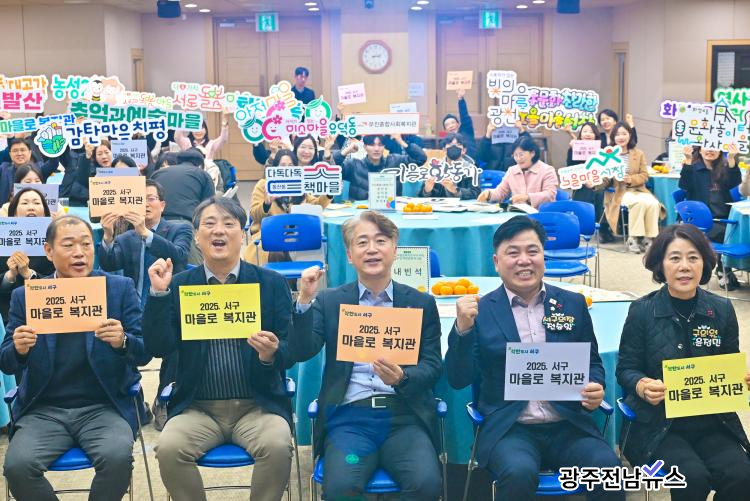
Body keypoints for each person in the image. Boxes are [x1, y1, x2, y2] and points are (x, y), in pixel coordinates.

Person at [445, 216, 624, 500]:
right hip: (510, 428)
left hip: (568, 424)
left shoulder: (572, 303)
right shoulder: (481, 311)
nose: (524, 260)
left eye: (532, 251)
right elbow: (458, 378)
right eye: (513, 253)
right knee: (518, 473)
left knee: (609, 471)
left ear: (544, 256)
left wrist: (594, 386)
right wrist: (463, 330)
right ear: (496, 262)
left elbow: (592, 362)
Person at [143, 197, 294, 501]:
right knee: (169, 449)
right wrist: (158, 295)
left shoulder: (271, 283)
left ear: (244, 234)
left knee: (278, 446)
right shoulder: (180, 285)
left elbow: (291, 348)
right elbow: (159, 346)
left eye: (228, 224)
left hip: (257, 406)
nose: (218, 231)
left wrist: (271, 354)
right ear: (197, 237)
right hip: (198, 407)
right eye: (209, 224)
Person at [290, 211, 443, 500]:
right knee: (341, 489)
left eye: (381, 241)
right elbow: (301, 350)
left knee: (426, 484)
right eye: (362, 242)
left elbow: (433, 365)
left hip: (403, 417)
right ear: (350, 255)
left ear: (395, 250)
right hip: (349, 420)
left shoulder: (420, 303)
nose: (372, 249)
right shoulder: (330, 300)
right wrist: (305, 300)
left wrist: (403, 377)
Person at [0, 215, 149, 501]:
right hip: (43, 409)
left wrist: (123, 341)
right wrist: (19, 348)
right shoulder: (27, 296)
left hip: (104, 406)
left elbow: (144, 352)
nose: (79, 253)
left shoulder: (119, 288)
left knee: (117, 459)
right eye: (68, 245)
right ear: (48, 251)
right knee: (17, 467)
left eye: (86, 244)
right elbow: (6, 362)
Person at [616, 223, 750, 501]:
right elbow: (626, 368)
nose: (685, 267)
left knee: (742, 477)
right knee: (691, 478)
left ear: (705, 263)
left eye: (693, 257)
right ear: (661, 265)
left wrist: (742, 378)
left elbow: (729, 364)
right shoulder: (642, 311)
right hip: (659, 424)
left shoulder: (722, 310)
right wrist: (641, 385)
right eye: (675, 258)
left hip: (713, 421)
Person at [98, 180, 192, 430]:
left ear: (162, 204)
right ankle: (135, 400)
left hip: (168, 306)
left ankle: (164, 400)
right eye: (139, 199)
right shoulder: (127, 237)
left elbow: (180, 256)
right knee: (115, 336)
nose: (145, 204)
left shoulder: (180, 228)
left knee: (176, 341)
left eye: (150, 198)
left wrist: (146, 234)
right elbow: (109, 263)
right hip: (135, 306)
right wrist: (107, 236)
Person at [243, 149, 331, 265]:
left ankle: (300, 275)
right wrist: (267, 203)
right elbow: (254, 214)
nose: (287, 169)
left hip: (296, 234)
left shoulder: (299, 185)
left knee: (308, 248)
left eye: (290, 165)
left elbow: (316, 205)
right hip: (268, 235)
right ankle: (281, 277)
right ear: (275, 168)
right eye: (282, 165)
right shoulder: (264, 185)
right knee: (277, 252)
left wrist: (329, 194)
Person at [678, 145, 742, 289]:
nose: (710, 150)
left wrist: (731, 159)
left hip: (723, 217)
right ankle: (723, 268)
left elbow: (735, 183)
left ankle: (723, 268)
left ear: (720, 150)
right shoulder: (693, 167)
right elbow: (684, 185)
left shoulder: (723, 169)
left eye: (714, 147)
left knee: (738, 230)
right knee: (727, 232)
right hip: (700, 222)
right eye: (706, 146)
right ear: (700, 150)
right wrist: (688, 160)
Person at [600, 122, 662, 254]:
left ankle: (648, 239)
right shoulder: (608, 155)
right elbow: (604, 179)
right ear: (613, 137)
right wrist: (594, 183)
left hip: (639, 189)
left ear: (630, 135)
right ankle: (633, 238)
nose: (621, 137)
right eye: (617, 134)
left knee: (653, 203)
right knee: (638, 203)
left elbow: (644, 175)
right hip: (618, 191)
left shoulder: (638, 153)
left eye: (624, 134)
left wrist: (631, 179)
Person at [0, 188, 56, 324]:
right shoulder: (3, 239)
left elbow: (61, 282)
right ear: (14, 212)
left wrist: (29, 275)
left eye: (36, 203)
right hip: (8, 311)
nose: (31, 207)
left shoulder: (55, 241)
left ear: (45, 211)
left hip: (48, 309)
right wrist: (10, 276)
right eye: (25, 203)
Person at [151, 148, 216, 265]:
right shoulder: (202, 174)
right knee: (195, 268)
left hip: (156, 225)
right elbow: (209, 208)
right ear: (200, 164)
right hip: (185, 225)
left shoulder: (158, 173)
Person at [335, 134, 427, 201]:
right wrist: (346, 150)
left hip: (390, 212)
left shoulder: (395, 161)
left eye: (380, 145)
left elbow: (420, 159)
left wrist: (401, 142)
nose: (376, 149)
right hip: (361, 214)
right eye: (372, 145)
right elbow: (333, 171)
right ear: (365, 147)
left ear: (384, 146)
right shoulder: (354, 165)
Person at [565, 122, 615, 243]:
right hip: (581, 183)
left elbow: (607, 173)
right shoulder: (573, 148)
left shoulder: (602, 150)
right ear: (581, 134)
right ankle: (595, 227)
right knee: (586, 190)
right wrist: (584, 179)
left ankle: (598, 226)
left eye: (591, 132)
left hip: (599, 182)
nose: (588, 134)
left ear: (596, 135)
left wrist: (595, 183)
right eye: (585, 131)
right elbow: (571, 169)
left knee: (598, 192)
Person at [477, 136, 558, 208]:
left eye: (521, 155)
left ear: (532, 153)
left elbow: (550, 195)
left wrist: (527, 197)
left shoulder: (547, 170)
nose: (518, 159)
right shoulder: (512, 170)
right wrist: (488, 194)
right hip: (517, 213)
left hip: (540, 214)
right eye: (515, 155)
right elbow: (501, 192)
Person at [418, 133, 481, 200]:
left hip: (462, 205)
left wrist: (455, 190)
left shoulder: (471, 169)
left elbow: (476, 193)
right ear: (444, 150)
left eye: (458, 144)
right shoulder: (435, 168)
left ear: (463, 150)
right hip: (440, 205)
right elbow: (421, 195)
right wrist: (427, 190)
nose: (454, 147)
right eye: (450, 144)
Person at [0, 138, 61, 206]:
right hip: (6, 210)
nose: (19, 154)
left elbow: (53, 163)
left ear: (30, 152)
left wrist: (53, 150)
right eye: (15, 151)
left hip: (37, 210)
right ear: (10, 154)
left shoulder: (39, 167)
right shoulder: (3, 168)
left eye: (23, 150)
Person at [64, 139, 113, 207]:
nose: (104, 156)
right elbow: (77, 189)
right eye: (99, 154)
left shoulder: (119, 167)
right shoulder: (89, 169)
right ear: (95, 157)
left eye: (107, 152)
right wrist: (95, 190)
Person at [442, 88, 477, 160]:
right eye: (447, 125)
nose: (451, 126)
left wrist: (461, 99)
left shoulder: (466, 131)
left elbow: (464, 116)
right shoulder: (445, 142)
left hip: (471, 163)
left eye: (453, 123)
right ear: (445, 130)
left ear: (458, 124)